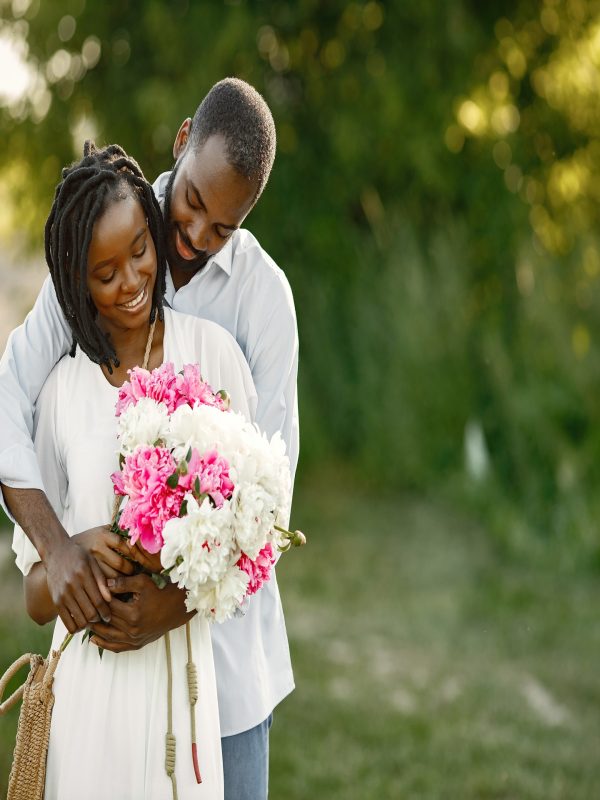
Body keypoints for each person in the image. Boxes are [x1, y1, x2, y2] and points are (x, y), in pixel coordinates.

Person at [0, 78, 297, 799]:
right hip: (107, 693)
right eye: (192, 204)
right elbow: (8, 394)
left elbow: (272, 485)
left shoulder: (260, 300)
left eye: (223, 227)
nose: (194, 237)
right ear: (181, 139)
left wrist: (181, 603)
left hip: (224, 664)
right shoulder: (104, 236)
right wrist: (56, 545)